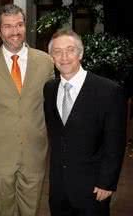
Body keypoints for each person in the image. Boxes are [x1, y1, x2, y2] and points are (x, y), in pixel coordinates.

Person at [0, 4, 54, 216]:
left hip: (34, 152)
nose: (15, 31)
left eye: (19, 25)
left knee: (30, 211)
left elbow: (53, 106)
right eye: (8, 26)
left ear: (25, 26)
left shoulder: (46, 62)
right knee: (1, 211)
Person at [44, 29, 127, 216]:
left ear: (80, 53)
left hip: (93, 189)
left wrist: (107, 182)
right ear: (51, 57)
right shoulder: (49, 89)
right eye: (57, 51)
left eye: (70, 50)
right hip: (58, 189)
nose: (64, 56)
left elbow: (115, 142)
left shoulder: (108, 91)